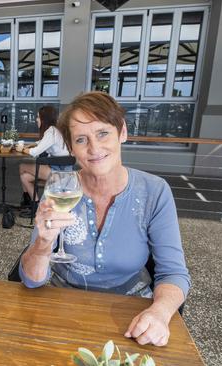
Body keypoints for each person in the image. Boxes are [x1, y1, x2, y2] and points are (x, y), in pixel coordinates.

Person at [19, 92, 190, 347]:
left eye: (103, 133)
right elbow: (32, 280)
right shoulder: (61, 189)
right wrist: (43, 244)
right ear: (71, 148)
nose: (94, 148)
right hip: (62, 307)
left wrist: (160, 312)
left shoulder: (154, 191)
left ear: (122, 132)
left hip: (130, 314)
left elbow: (174, 273)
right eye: (81, 139)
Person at [18, 105, 70, 211]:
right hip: (64, 169)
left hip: (59, 171)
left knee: (22, 166)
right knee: (25, 177)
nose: (36, 120)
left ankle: (26, 200)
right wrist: (30, 145)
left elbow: (35, 152)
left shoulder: (51, 131)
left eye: (38, 117)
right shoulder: (56, 129)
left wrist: (21, 149)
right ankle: (35, 205)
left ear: (44, 119)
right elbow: (43, 142)